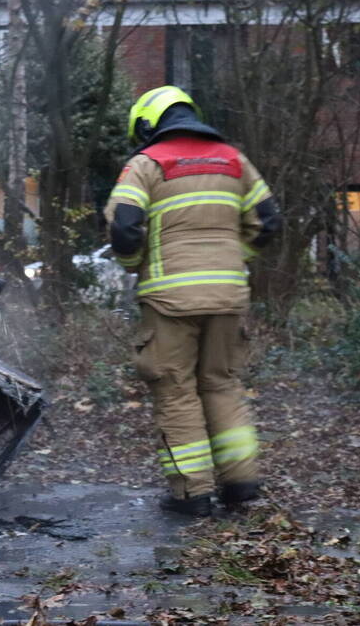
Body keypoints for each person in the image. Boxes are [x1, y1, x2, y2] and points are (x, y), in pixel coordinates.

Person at [104, 85, 282, 517]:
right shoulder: (235, 161)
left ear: (148, 124)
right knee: (222, 385)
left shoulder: (146, 164)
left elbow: (125, 226)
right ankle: (241, 486)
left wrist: (135, 264)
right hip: (227, 298)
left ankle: (192, 493)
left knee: (176, 390)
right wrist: (235, 258)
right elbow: (269, 221)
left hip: (170, 300)